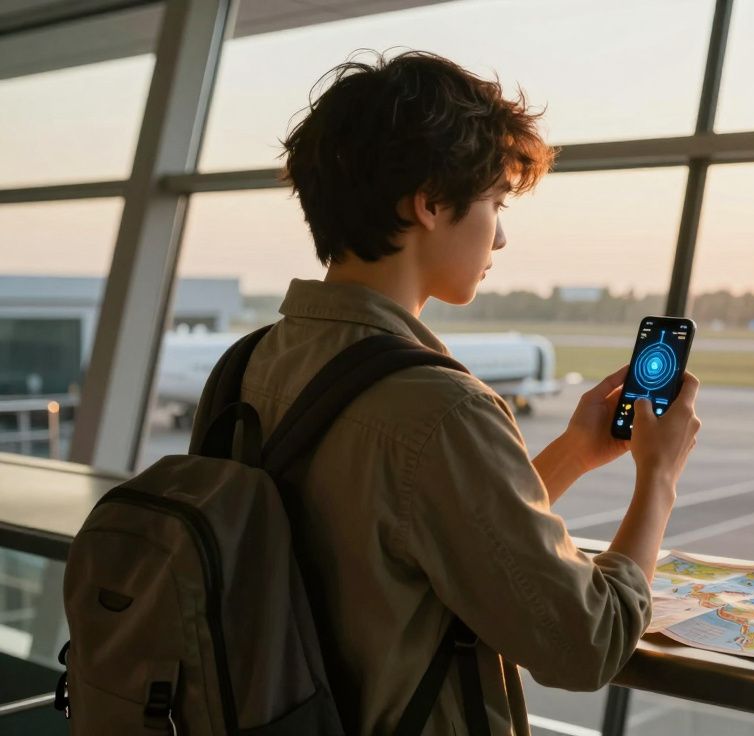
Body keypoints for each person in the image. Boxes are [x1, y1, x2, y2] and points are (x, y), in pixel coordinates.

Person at [231, 50, 701, 734]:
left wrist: (572, 452)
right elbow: (586, 644)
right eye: (495, 202)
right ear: (428, 203)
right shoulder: (438, 408)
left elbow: (407, 537)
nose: (501, 235)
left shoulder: (251, 364)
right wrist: (657, 475)